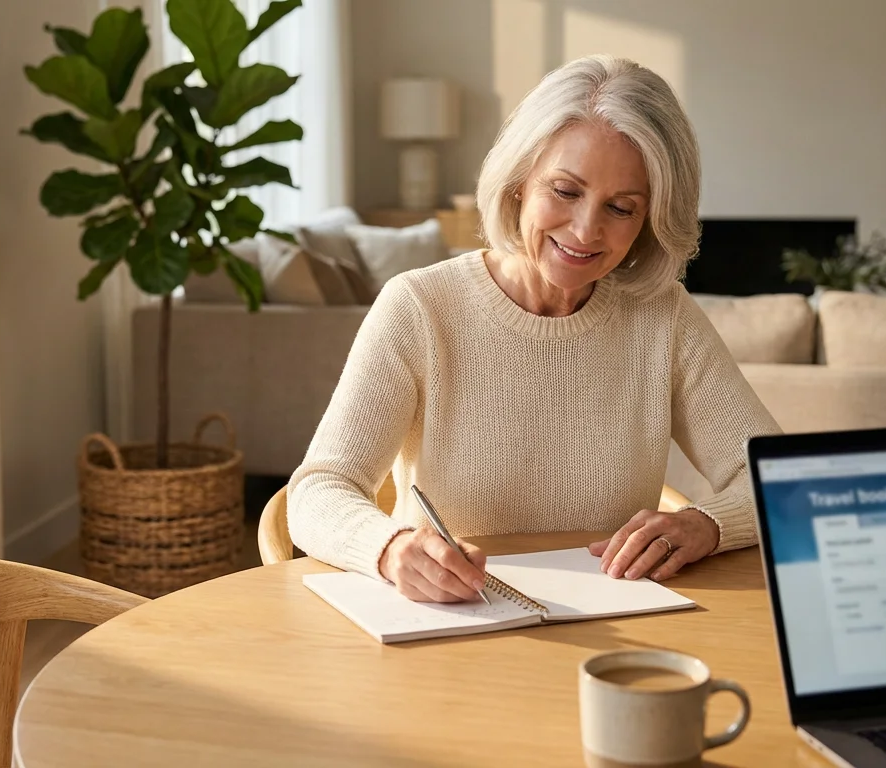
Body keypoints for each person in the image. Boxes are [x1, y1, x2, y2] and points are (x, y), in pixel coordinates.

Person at [287, 55, 781, 603]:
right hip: (453, 626)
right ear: (520, 181)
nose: (586, 230)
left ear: (649, 221)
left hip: (613, 628)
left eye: (621, 207)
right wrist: (390, 547)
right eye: (566, 192)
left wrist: (704, 524)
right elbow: (317, 493)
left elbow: (779, 481)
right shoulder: (420, 307)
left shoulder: (664, 316)